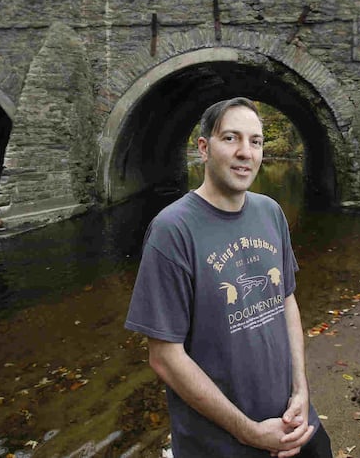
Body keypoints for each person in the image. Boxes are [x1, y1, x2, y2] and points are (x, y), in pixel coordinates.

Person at [125, 97, 332, 457]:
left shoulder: (271, 212)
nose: (245, 152)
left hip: (293, 422)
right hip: (222, 444)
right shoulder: (172, 231)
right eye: (231, 138)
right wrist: (249, 432)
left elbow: (286, 301)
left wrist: (301, 390)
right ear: (203, 148)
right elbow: (164, 357)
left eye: (255, 141)